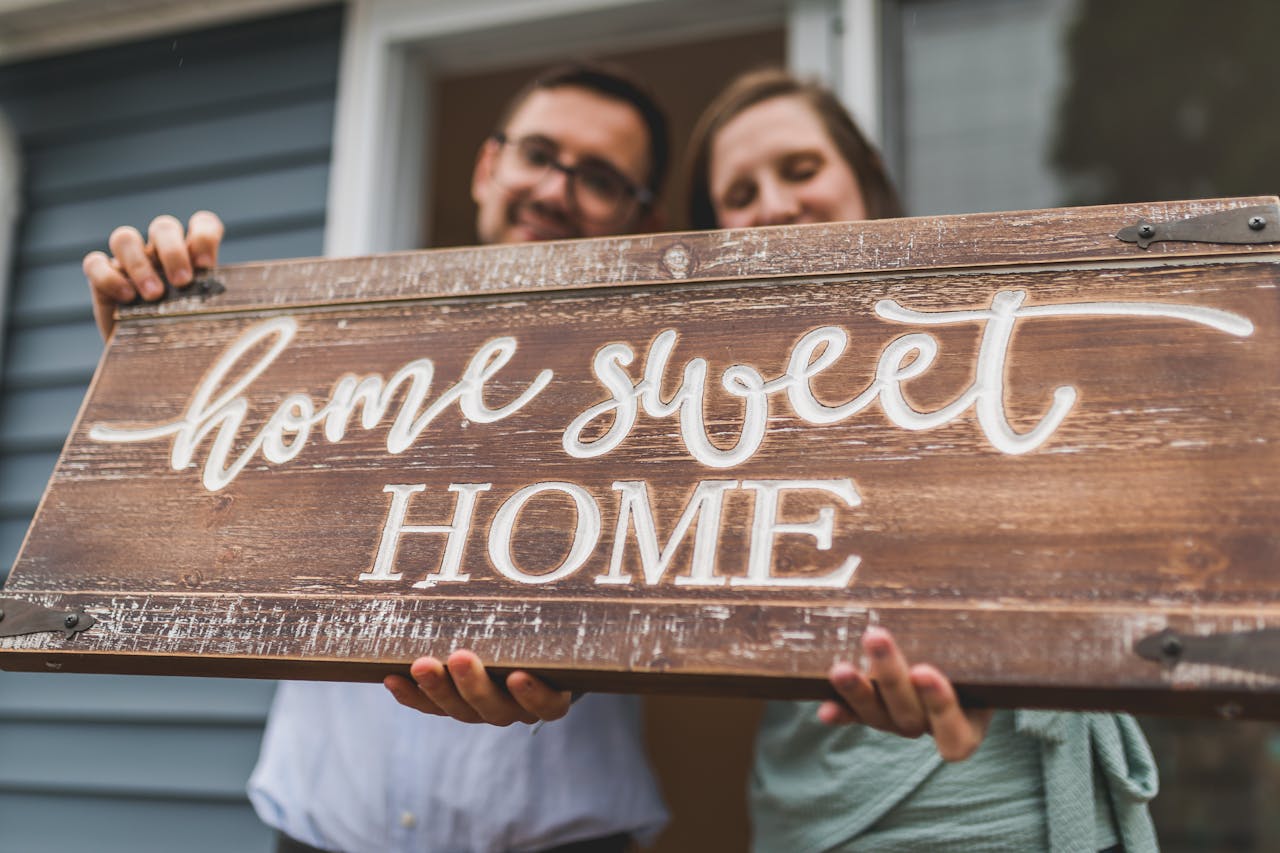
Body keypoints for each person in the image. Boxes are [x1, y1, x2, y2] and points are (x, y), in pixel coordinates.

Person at [82, 62, 672, 853]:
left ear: (644, 216)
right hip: (316, 830)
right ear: (488, 166)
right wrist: (157, 363)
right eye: (538, 154)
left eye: (598, 178)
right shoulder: (333, 352)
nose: (555, 191)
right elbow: (200, 506)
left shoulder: (674, 384)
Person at [684, 67, 1160, 853]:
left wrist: (1002, 656)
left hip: (1016, 800)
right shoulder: (696, 406)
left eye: (800, 169)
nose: (774, 204)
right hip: (817, 809)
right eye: (740, 194)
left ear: (864, 177)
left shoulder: (993, 331)